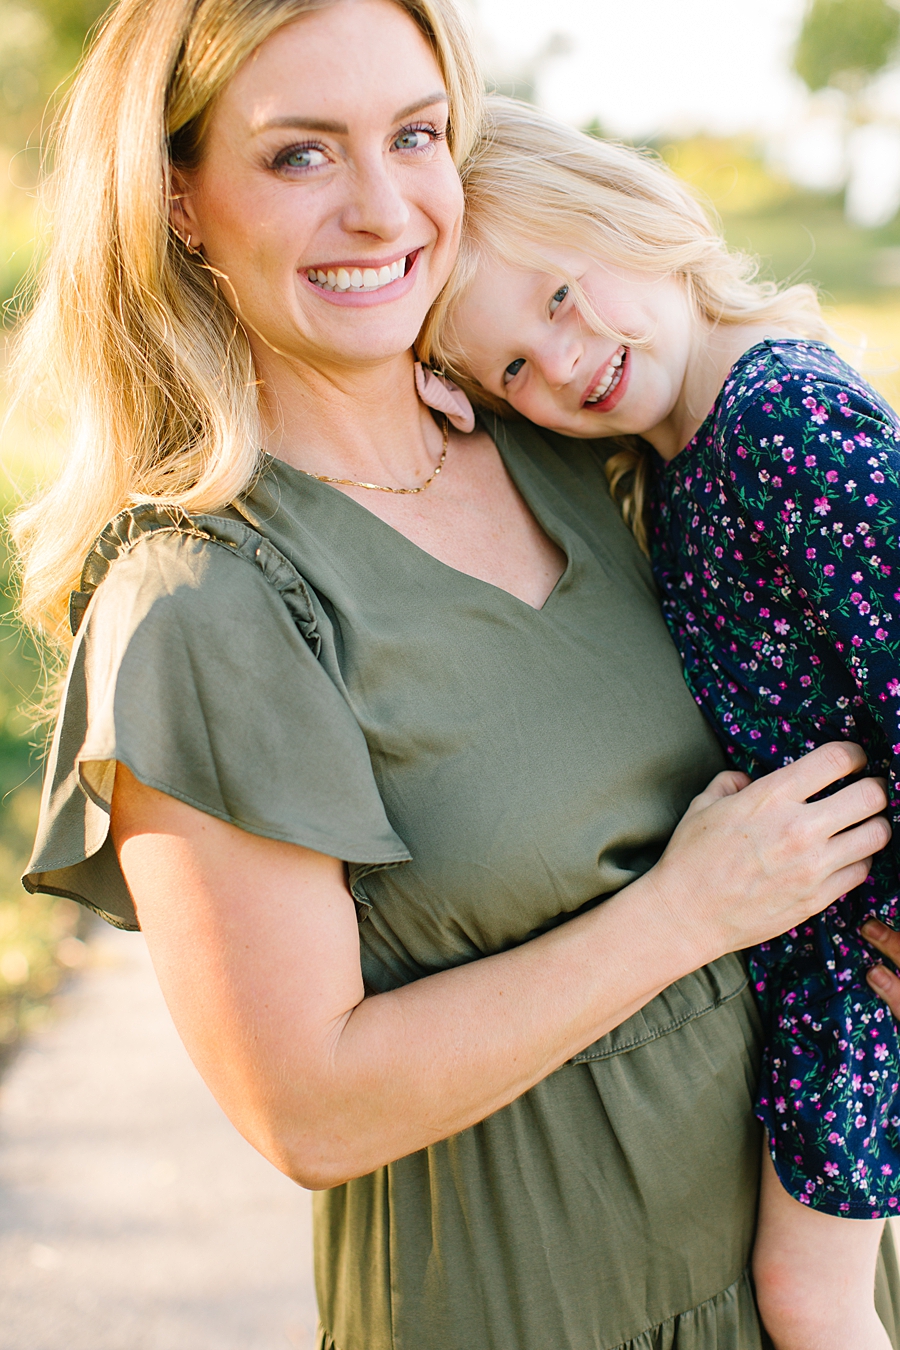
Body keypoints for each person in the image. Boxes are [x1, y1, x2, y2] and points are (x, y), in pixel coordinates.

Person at [10, 3, 899, 1347]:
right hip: (525, 1304)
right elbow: (307, 1106)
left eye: (413, 134)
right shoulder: (203, 603)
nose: (382, 208)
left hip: (789, 1292)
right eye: (301, 155)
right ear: (180, 201)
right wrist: (689, 909)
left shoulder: (578, 440)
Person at [424, 93, 900, 1349]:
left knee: (813, 1298)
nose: (563, 362)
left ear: (632, 215)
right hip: (818, 941)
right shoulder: (678, 449)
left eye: (564, 297)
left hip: (866, 955)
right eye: (513, 366)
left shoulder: (784, 426)